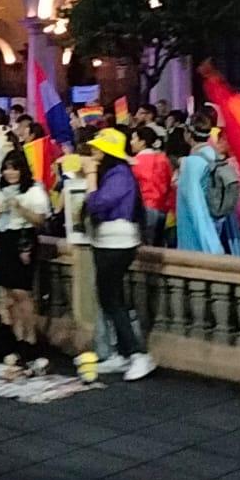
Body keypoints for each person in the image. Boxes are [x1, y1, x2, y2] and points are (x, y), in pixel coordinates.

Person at [81, 128, 155, 381]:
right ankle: (123, 354)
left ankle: (137, 354)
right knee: (111, 298)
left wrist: (91, 177)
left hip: (117, 242)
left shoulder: (119, 175)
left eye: (97, 148)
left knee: (111, 298)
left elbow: (97, 204)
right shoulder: (115, 173)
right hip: (108, 241)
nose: (92, 151)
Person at [0, 148, 51, 352]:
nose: (10, 173)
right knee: (7, 292)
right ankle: (15, 337)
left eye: (14, 169)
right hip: (4, 238)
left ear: (22, 170)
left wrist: (21, 208)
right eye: (7, 169)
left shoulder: (34, 190)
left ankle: (30, 339)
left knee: (22, 292)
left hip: (23, 239)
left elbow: (40, 219)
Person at [129, 126, 172, 247]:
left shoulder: (135, 162)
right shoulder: (163, 159)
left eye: (134, 139)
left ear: (142, 142)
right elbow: (169, 182)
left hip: (145, 207)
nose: (131, 142)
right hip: (163, 208)